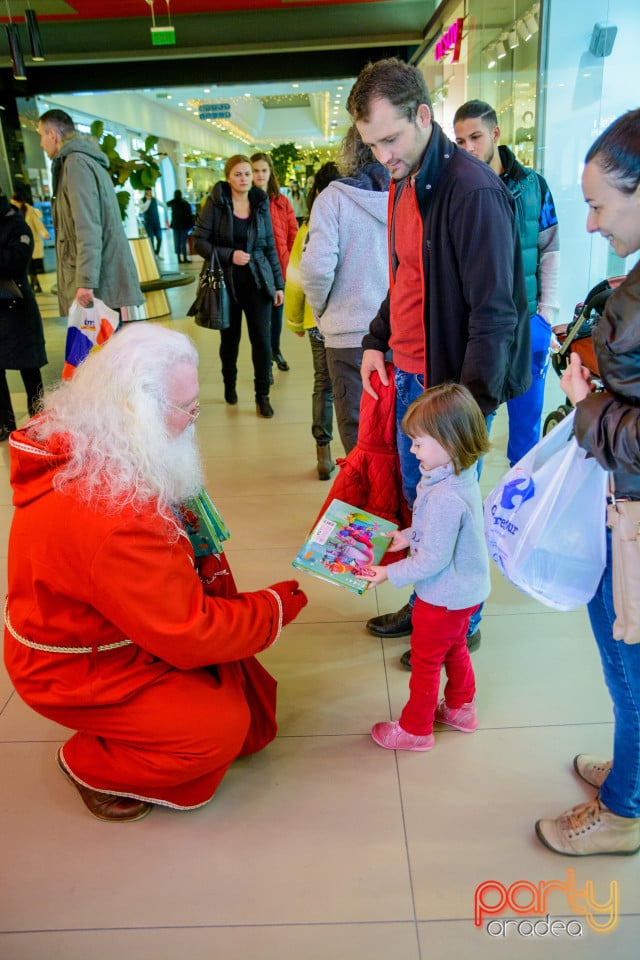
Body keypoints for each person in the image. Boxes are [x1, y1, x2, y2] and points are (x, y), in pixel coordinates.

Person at [3, 322, 307, 822]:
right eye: (187, 408)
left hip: (101, 633)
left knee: (230, 689)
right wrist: (275, 605)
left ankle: (133, 726)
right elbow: (190, 630)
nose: (194, 419)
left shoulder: (95, 442)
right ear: (134, 410)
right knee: (217, 730)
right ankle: (90, 762)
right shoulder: (118, 518)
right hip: (76, 667)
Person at [346, 58, 530, 653]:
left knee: (449, 509)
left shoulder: (471, 191)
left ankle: (460, 627)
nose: (383, 157)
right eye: (372, 145)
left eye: (390, 139)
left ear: (424, 115)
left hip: (451, 388)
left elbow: (495, 314)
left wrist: (463, 415)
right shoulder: (405, 180)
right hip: (409, 377)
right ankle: (427, 600)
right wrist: (377, 340)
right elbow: (403, 277)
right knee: (418, 504)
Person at [535, 109, 640, 857]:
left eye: (602, 204)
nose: (594, 223)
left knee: (629, 659)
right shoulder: (628, 280)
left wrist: (587, 404)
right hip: (621, 501)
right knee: (618, 652)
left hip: (633, 511)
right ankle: (632, 770)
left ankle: (626, 806)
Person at [357, 383, 490, 751]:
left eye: (419, 442)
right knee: (454, 648)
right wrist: (408, 534)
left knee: (426, 661)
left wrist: (389, 573)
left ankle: (416, 729)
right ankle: (462, 707)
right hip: (464, 593)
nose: (412, 449)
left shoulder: (446, 496)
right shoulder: (459, 476)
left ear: (449, 443)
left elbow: (434, 558)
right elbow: (440, 534)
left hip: (442, 596)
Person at [453, 100, 560, 467]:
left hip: (530, 322)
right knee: (473, 424)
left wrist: (546, 315)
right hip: (480, 327)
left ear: (495, 134)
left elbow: (550, 251)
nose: (468, 147)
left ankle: (521, 516)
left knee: (527, 430)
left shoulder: (535, 187)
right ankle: (469, 516)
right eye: (460, 140)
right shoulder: (459, 191)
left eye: (476, 137)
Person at [300, 127, 390, 456]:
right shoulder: (409, 193)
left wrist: (323, 309)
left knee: (358, 439)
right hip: (402, 334)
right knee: (404, 435)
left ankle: (367, 506)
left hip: (348, 337)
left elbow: (315, 268)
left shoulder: (333, 199)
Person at [192, 155, 284, 418]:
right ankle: (229, 384)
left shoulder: (260, 202)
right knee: (230, 340)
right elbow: (199, 241)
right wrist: (229, 254)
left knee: (262, 342)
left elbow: (268, 246)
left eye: (247, 174)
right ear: (228, 177)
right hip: (227, 284)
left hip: (257, 282)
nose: (244, 178)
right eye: (238, 174)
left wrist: (277, 284)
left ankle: (262, 395)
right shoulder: (217, 202)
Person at [37, 109, 144, 317]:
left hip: (95, 287)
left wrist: (85, 282)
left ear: (52, 135)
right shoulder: (85, 161)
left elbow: (88, 227)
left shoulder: (76, 164)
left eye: (41, 135)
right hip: (99, 281)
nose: (41, 143)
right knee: (105, 347)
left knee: (100, 347)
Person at [284, 162, 340, 480]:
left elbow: (296, 280)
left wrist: (294, 320)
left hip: (316, 321)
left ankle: (323, 452)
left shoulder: (308, 229)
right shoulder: (353, 222)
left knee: (324, 384)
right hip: (354, 323)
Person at [0, 187, 47, 440]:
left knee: (30, 368)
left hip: (17, 308)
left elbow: (16, 261)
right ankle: (4, 423)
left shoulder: (16, 224)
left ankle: (39, 419)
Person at [251, 152, 298, 374]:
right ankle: (265, 363)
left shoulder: (281, 202)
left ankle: (275, 350)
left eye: (263, 170)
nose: (259, 175)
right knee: (261, 321)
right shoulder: (244, 201)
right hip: (255, 272)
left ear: (270, 173)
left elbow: (293, 235)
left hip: (279, 270)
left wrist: (288, 263)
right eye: (255, 171)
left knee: (276, 319)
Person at [10, 189, 50, 293]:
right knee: (29, 267)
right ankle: (36, 286)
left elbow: (37, 224)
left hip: (33, 243)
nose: (12, 205)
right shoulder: (14, 213)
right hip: (22, 244)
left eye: (14, 202)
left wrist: (44, 233)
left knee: (30, 267)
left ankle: (33, 286)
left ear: (20, 202)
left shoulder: (29, 211)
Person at [167, 189, 194, 263]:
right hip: (183, 226)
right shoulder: (185, 203)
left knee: (177, 242)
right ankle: (185, 258)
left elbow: (167, 203)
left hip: (176, 226)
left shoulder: (173, 203)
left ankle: (179, 259)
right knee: (183, 243)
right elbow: (189, 214)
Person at [139, 187, 163, 256]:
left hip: (156, 222)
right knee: (151, 239)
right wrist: (148, 201)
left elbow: (162, 204)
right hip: (148, 223)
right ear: (145, 192)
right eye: (148, 192)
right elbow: (143, 209)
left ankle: (156, 253)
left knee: (159, 238)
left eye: (150, 192)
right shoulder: (142, 200)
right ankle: (153, 254)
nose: (150, 193)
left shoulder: (155, 199)